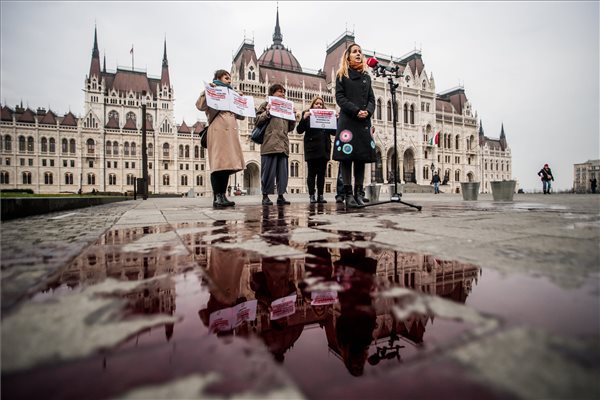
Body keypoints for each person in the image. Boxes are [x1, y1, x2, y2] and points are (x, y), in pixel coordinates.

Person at [332, 43, 376, 208]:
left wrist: (368, 111)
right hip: (348, 121)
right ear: (348, 56)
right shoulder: (342, 75)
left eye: (360, 52)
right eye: (355, 52)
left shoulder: (366, 77)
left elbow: (371, 99)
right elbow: (340, 98)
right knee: (346, 159)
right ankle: (348, 194)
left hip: (364, 122)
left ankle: (358, 193)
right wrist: (357, 110)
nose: (358, 54)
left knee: (361, 158)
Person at [196, 69, 245, 208]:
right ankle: (217, 196)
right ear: (218, 78)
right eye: (226, 78)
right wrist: (206, 92)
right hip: (217, 132)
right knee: (218, 166)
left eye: (230, 78)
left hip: (230, 134)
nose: (229, 80)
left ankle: (223, 196)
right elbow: (200, 106)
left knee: (227, 166)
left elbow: (241, 116)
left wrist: (240, 100)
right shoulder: (213, 91)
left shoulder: (232, 94)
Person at [255, 83, 297, 206]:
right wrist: (267, 112)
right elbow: (257, 121)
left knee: (282, 173)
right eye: (280, 91)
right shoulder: (265, 105)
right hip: (270, 144)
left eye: (283, 92)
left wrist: (293, 116)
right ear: (272, 93)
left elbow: (289, 127)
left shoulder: (286, 106)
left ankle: (281, 195)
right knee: (268, 172)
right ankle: (265, 196)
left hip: (283, 144)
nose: (283, 94)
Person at [296, 96, 336, 204]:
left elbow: (334, 132)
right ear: (312, 104)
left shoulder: (328, 116)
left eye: (321, 104)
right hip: (311, 148)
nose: (319, 105)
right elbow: (299, 130)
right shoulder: (307, 114)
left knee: (322, 174)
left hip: (324, 148)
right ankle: (312, 195)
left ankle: (321, 195)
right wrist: (304, 118)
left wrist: (336, 120)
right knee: (312, 173)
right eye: (316, 103)